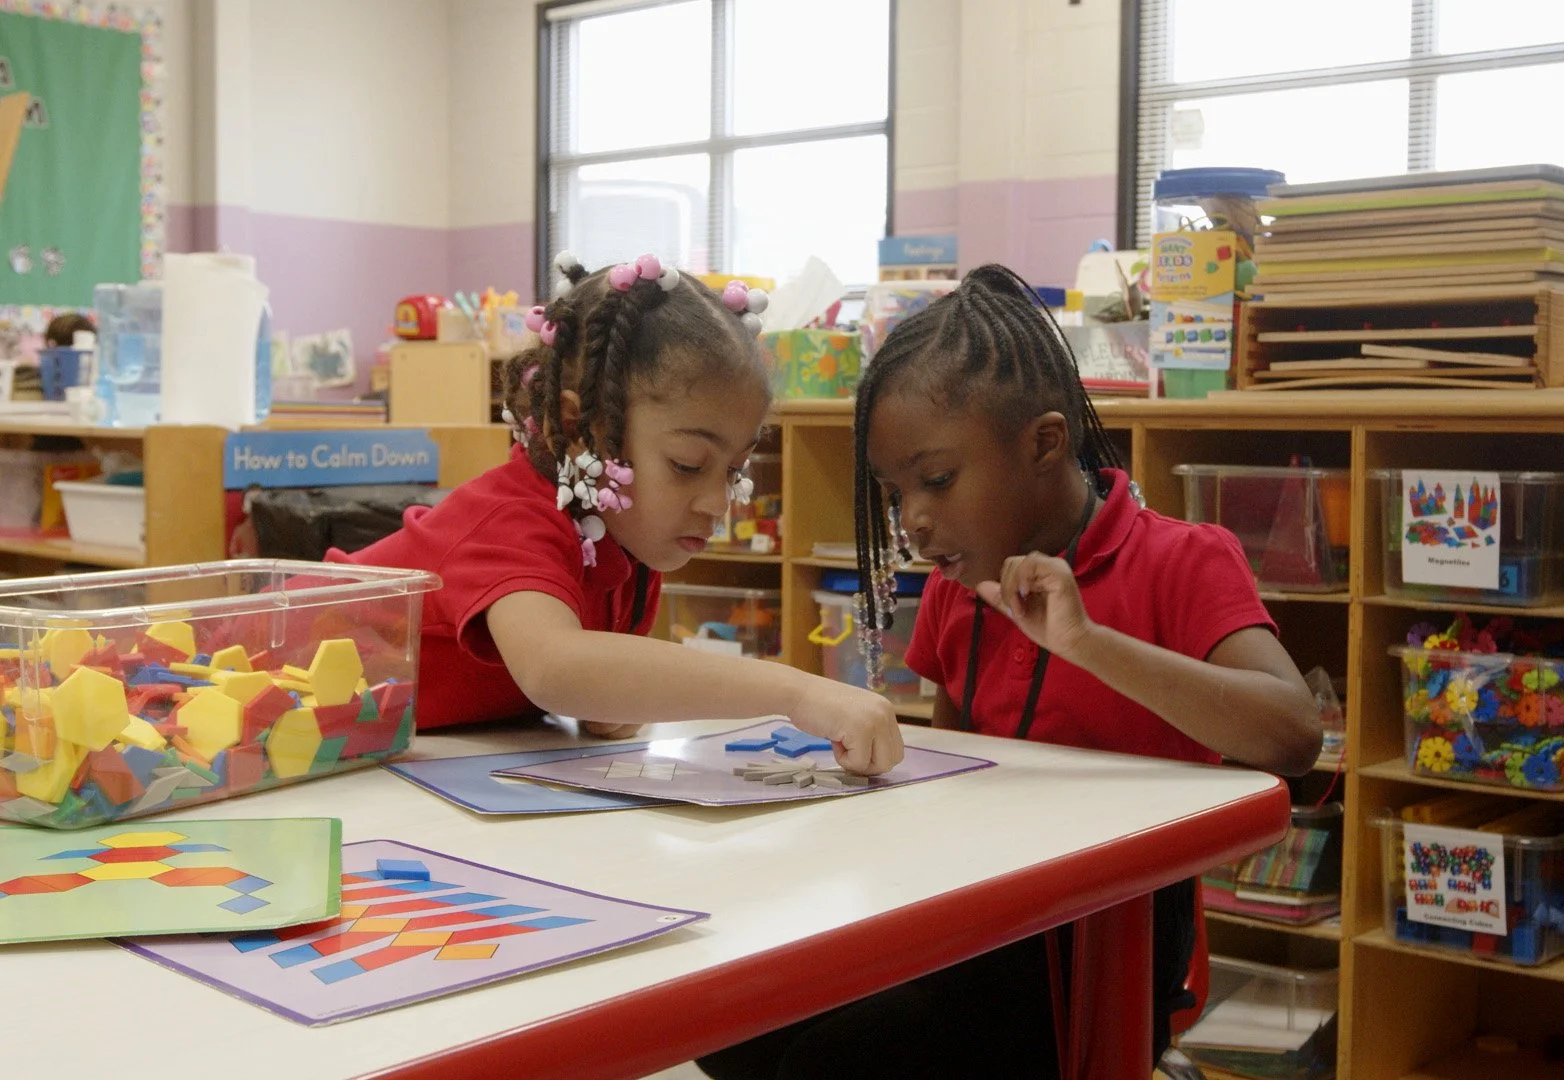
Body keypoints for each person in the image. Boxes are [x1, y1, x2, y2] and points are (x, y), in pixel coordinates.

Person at [698, 264, 1320, 1079]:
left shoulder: (1183, 560)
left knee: (833, 1063)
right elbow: (956, 784)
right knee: (732, 1025)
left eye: (937, 481)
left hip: (1108, 948)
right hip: (983, 922)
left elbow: (1292, 733)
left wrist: (1088, 641)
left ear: (1045, 444)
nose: (914, 521)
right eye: (895, 493)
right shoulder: (962, 586)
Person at [327, 252, 903, 776]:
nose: (717, 502)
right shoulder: (509, 519)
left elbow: (579, 684)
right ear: (579, 429)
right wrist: (794, 692)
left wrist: (608, 700)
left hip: (368, 755)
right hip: (288, 689)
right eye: (687, 464)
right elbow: (555, 668)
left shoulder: (626, 540)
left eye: (734, 470)